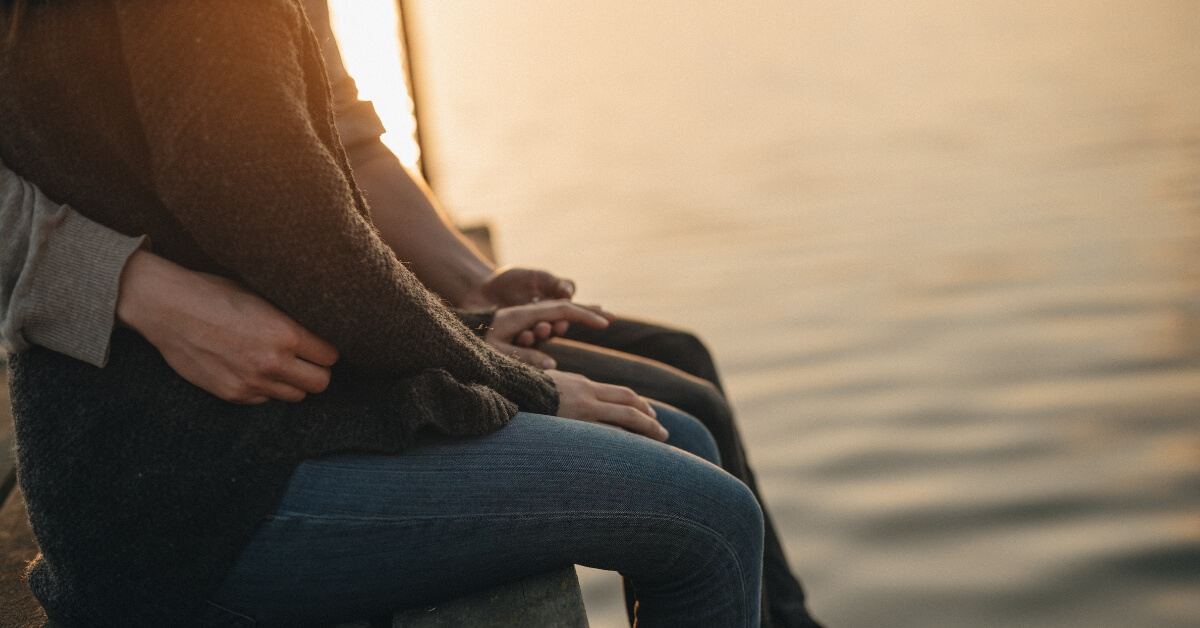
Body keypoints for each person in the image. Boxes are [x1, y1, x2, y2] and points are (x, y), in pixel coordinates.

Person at [0, 1, 826, 626]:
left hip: (242, 433)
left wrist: (468, 323)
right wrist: (522, 387)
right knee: (710, 519)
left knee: (683, 433)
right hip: (182, 496)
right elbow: (291, 233)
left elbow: (290, 233)